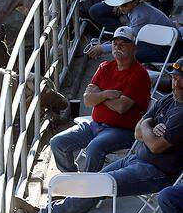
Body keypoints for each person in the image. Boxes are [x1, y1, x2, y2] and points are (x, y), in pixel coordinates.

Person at [15, 62, 183, 213]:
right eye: (175, 78)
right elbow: (138, 132)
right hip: (135, 158)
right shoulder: (167, 100)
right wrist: (147, 126)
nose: (177, 84)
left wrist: (147, 126)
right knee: (94, 182)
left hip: (156, 171)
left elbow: (155, 146)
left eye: (181, 80)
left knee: (98, 184)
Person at [49, 26, 150, 174]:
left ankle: (91, 191)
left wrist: (99, 95)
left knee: (94, 147)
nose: (118, 47)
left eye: (123, 43)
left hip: (122, 131)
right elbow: (87, 100)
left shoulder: (140, 74)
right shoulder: (105, 67)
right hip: (94, 124)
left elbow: (122, 107)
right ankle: (74, 180)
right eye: (115, 44)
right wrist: (107, 94)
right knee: (57, 142)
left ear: (134, 47)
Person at [84, 0, 182, 65]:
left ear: (134, 2)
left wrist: (102, 48)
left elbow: (129, 41)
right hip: (162, 42)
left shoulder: (139, 15)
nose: (121, 8)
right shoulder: (137, 9)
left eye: (124, 5)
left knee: (129, 53)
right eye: (119, 4)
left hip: (167, 48)